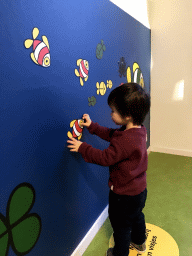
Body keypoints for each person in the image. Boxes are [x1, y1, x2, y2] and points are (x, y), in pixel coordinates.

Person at [67, 83, 151, 256]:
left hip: (123, 196)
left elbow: (105, 157)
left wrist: (83, 147)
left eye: (113, 111)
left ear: (127, 115)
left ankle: (119, 253)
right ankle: (140, 241)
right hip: (139, 191)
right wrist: (92, 126)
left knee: (121, 226)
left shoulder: (125, 140)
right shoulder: (139, 131)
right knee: (136, 216)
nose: (110, 114)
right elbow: (112, 134)